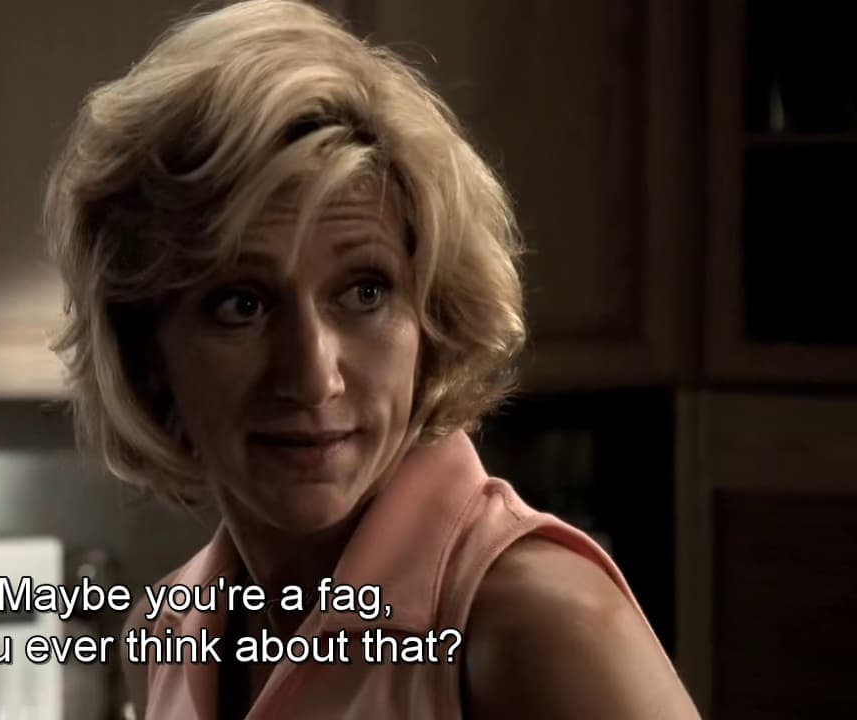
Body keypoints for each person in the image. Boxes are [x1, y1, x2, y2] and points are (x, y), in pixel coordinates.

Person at [43, 1, 700, 717]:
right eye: (241, 304)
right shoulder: (168, 634)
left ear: (432, 319)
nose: (312, 377)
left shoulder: (539, 624)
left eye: (364, 292)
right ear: (146, 347)